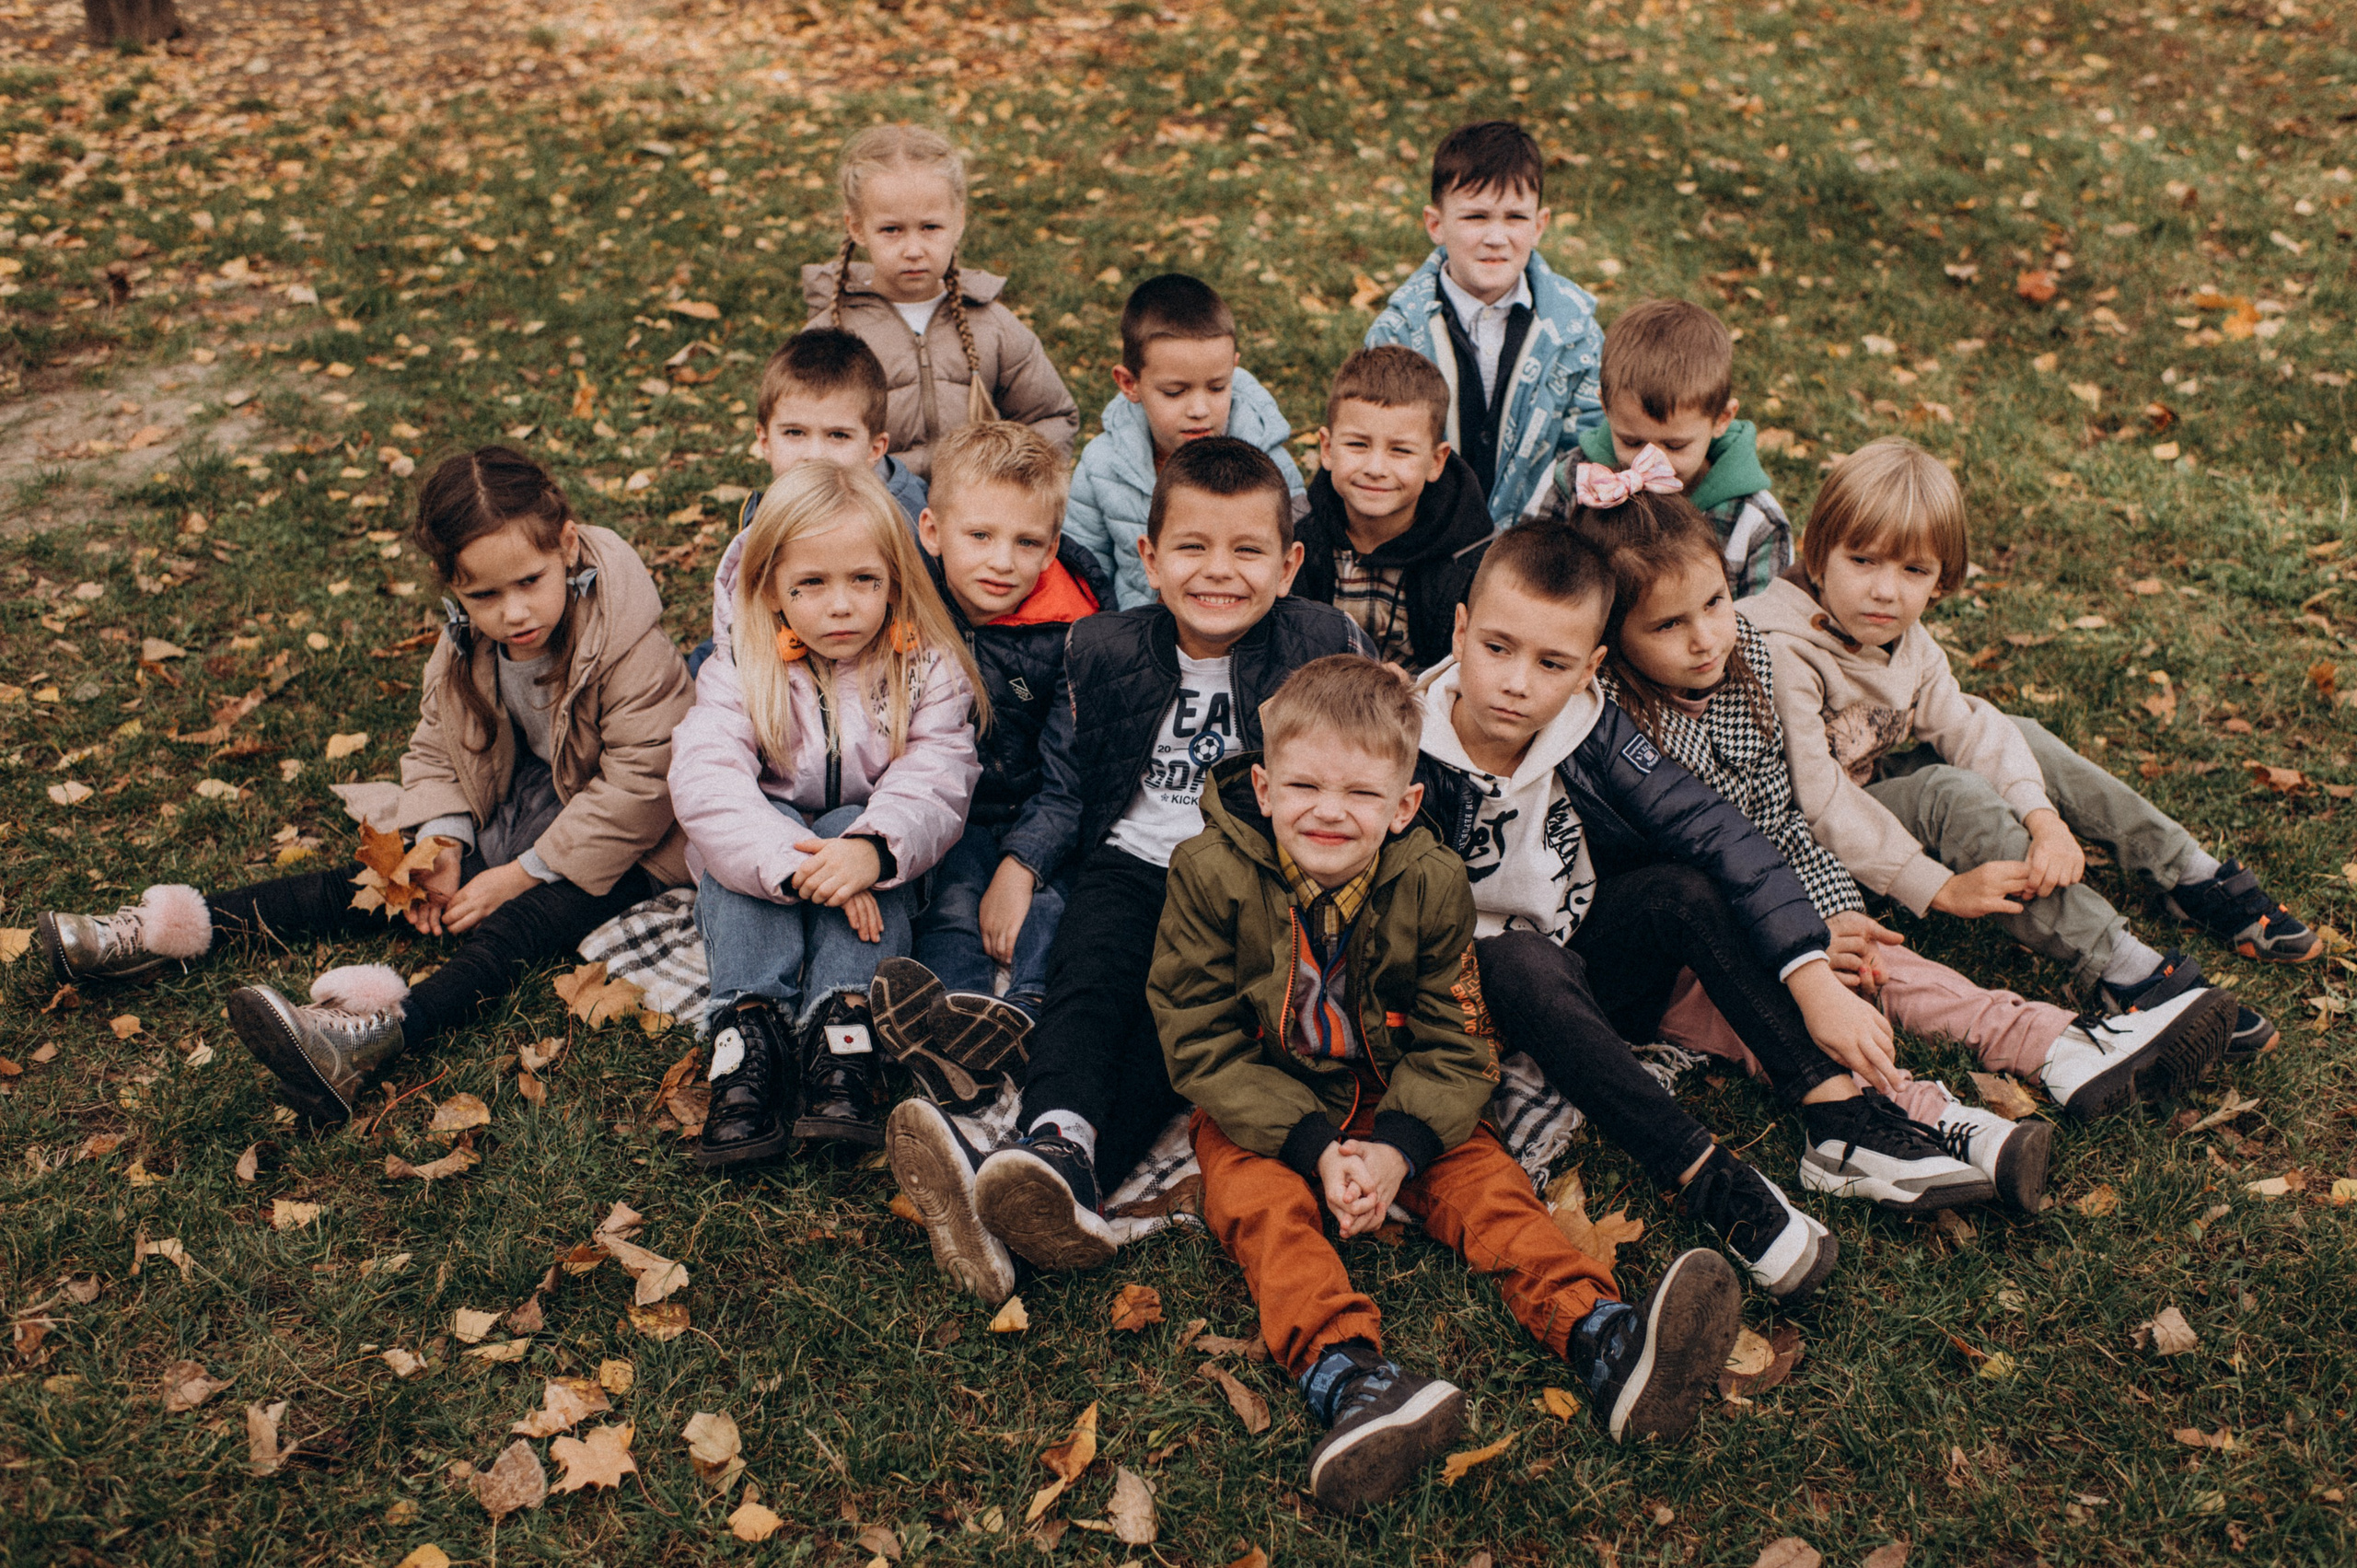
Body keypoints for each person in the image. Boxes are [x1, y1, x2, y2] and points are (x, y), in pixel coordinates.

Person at [1157, 656, 1742, 1512]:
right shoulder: (1208, 873)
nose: (1328, 810)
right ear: (1265, 784)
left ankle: (1601, 1335)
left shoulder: (1429, 880)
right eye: (1305, 785)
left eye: (1360, 794)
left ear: (1403, 806)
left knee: (1489, 1187)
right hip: (1263, 1101)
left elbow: (1459, 1039)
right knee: (1262, 1212)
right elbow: (1197, 1038)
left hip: (1398, 1088)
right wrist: (1316, 1149)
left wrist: (1399, 1146)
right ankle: (1349, 1379)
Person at [1575, 470, 2235, 1211]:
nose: (1705, 638)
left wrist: (1830, 916)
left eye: (1716, 603)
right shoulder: (1610, 724)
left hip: (1769, 895)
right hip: (1677, 952)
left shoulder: (1744, 660)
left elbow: (1780, 812)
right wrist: (1805, 941)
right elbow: (1710, 856)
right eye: (1668, 625)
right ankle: (1923, 1116)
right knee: (1793, 1007)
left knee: (1884, 963)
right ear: (1611, 641)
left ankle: (2057, 1046)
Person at [1414, 521, 1995, 1302]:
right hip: (1466, 998)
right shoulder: (1403, 736)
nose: (1518, 682)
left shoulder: (1588, 723)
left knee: (1682, 885)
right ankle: (1708, 1177)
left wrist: (1813, 973)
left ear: (1591, 667)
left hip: (1592, 962)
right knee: (1519, 959)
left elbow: (1715, 829)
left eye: (1552, 662)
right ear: (1459, 630)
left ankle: (1836, 1117)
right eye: (1497, 648)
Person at [38, 447, 694, 1122]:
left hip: (625, 841)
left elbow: (642, 784)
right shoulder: (465, 642)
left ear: (567, 544)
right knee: (381, 883)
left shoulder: (628, 641)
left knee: (516, 929)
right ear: (453, 587)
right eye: (485, 595)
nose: (514, 612)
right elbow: (437, 744)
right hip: (522, 801)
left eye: (530, 580)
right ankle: (169, 928)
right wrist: (444, 842)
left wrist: (519, 874)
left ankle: (370, 1037)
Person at [881, 437, 1370, 1305]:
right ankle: (1057, 1140)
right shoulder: (1103, 648)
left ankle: (1044, 1189)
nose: (1219, 571)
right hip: (1132, 860)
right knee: (1090, 976)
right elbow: (1070, 782)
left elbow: (1364, 763)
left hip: (1249, 880)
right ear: (1148, 558)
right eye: (1192, 547)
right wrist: (1023, 865)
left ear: (1291, 564)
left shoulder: (1321, 644)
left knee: (1179, 1025)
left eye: (1248, 550)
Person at [1748, 436, 2306, 1063]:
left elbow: (1966, 726)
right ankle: (2122, 967)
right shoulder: (1780, 646)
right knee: (1947, 793)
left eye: (1914, 571)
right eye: (1864, 560)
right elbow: (1819, 801)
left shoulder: (1899, 633)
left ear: (1942, 579)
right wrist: (1941, 888)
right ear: (1818, 559)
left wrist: (2044, 820)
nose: (1886, 591)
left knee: (2017, 733)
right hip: (1810, 846)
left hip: (1869, 781)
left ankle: (2186, 870)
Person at [667, 461, 984, 1167]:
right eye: (811, 584)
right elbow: (707, 778)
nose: (839, 605)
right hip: (770, 862)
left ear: (895, 580)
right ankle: (750, 1028)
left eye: (863, 581)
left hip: (871, 849)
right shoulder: (739, 665)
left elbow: (939, 772)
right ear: (770, 586)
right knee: (736, 855)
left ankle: (842, 1025)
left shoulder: (924, 665)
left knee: (849, 820)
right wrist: (795, 863)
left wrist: (869, 851)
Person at [865, 421, 1108, 1115]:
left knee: (1056, 903)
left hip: (1047, 809)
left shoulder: (1076, 632)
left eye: (1027, 542)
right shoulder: (902, 602)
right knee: (951, 899)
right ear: (933, 531)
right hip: (950, 811)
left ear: (1051, 547)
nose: (1002, 560)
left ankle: (1031, 1011)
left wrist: (1025, 863)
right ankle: (956, 1021)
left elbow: (1072, 776)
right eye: (980, 536)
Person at [1363, 120, 1602, 527]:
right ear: (1435, 224)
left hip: (1537, 546)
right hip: (1423, 541)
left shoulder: (1574, 334)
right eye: (1476, 217)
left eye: (1515, 218)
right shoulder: (1398, 334)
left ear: (1540, 225)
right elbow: (1379, 447)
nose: (1496, 237)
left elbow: (1588, 448)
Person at [804, 122, 1077, 478]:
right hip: (872, 519)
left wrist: (1008, 482)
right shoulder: (828, 337)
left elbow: (1051, 417)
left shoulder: (992, 325)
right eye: (891, 230)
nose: (913, 250)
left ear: (959, 220)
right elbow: (803, 441)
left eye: (930, 227)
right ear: (856, 227)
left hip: (976, 517)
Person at [688, 330, 923, 679]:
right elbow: (748, 609)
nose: (814, 454)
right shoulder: (773, 503)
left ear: (875, 448)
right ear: (765, 440)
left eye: (838, 435)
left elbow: (922, 625)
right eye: (794, 433)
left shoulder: (905, 520)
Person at [1521, 297, 1793, 599]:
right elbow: (1525, 578)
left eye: (1675, 445)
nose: (1649, 462)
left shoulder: (1755, 522)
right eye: (1631, 441)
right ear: (1605, 408)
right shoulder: (1575, 479)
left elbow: (1762, 631)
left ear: (1722, 419)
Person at [1062, 273, 1307, 609]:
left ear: (1233, 370)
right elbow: (1083, 574)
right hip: (1139, 637)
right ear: (1129, 383)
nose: (1199, 410)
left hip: (1247, 633)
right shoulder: (1102, 465)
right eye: (1175, 392)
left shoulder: (1268, 457)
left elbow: (1298, 566)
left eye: (1217, 387)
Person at [1292, 345, 1492, 675]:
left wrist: (1419, 690)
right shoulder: (1295, 533)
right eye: (1357, 445)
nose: (1375, 468)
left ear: (1436, 461)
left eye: (1400, 451)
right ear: (1327, 449)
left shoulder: (1471, 560)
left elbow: (1472, 669)